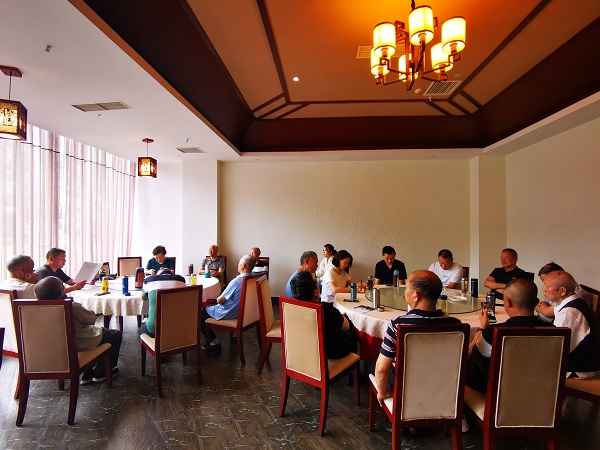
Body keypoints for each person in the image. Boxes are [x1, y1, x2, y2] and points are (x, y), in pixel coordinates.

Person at [372, 270, 461, 406]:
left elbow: (381, 369)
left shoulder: (398, 325)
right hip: (441, 384)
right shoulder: (455, 325)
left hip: (406, 385)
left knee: (371, 365)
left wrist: (382, 393)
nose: (404, 293)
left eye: (406, 288)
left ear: (416, 295)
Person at [467, 279, 551, 393]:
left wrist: (482, 328)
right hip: (539, 391)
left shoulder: (493, 332)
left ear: (508, 302)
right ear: (536, 302)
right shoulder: (553, 330)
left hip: (498, 392)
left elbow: (470, 358)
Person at [34, 276, 122, 385]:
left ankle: (87, 373)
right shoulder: (71, 306)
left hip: (54, 348)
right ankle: (101, 373)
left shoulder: (32, 310)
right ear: (61, 293)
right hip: (79, 342)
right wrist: (91, 312)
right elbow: (90, 320)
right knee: (115, 334)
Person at [543, 271, 600, 378]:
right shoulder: (576, 302)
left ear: (562, 291)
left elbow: (556, 349)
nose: (544, 289)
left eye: (547, 286)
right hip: (584, 365)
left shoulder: (569, 312)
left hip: (579, 370)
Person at [291, 271, 358, 360]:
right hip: (330, 352)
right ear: (315, 292)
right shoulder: (325, 309)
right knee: (351, 330)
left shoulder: (293, 309)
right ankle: (354, 364)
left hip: (306, 349)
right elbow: (346, 326)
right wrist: (341, 317)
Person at [201, 254, 255, 353]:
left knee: (200, 314)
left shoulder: (236, 282)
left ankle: (214, 343)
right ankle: (233, 336)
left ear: (243, 265)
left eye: (239, 263)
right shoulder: (253, 279)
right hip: (242, 313)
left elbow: (220, 300)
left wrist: (214, 298)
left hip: (228, 313)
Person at [141, 268, 186, 337]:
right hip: (177, 328)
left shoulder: (149, 280)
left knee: (145, 322)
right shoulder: (181, 280)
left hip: (154, 330)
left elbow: (143, 298)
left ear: (158, 274)